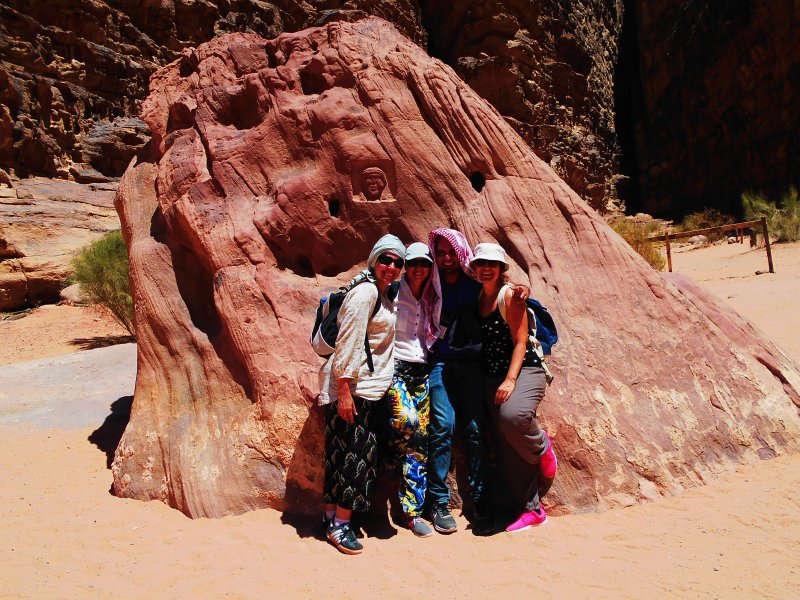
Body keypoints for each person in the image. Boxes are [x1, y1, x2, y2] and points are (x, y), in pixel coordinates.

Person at [318, 234, 406, 554]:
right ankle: (341, 527)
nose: (391, 266)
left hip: (361, 388)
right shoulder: (367, 291)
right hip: (355, 389)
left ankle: (330, 519)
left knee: (341, 455)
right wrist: (345, 391)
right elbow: (349, 341)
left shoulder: (383, 294)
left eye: (398, 262)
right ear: (374, 260)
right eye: (386, 259)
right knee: (359, 459)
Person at [470, 242, 557, 533]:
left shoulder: (509, 295)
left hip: (524, 369)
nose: (485, 268)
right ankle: (532, 510)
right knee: (505, 444)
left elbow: (521, 341)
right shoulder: (478, 295)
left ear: (500, 269)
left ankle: (542, 446)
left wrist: (509, 380)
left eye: (491, 264)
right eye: (480, 263)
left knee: (513, 417)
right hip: (491, 376)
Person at [421, 228, 493, 535]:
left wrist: (522, 289)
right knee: (443, 428)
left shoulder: (474, 280)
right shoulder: (430, 286)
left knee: (476, 431)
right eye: (440, 253)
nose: (447, 259)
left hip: (472, 364)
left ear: (460, 253)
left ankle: (480, 500)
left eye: (451, 252)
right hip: (441, 362)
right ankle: (438, 501)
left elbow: (501, 288)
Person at [383, 242, 434, 537]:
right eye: (413, 263)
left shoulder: (431, 297)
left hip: (422, 371)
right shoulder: (392, 290)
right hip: (394, 369)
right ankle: (391, 457)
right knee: (407, 421)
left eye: (424, 264)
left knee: (421, 440)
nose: (418, 269)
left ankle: (411, 513)